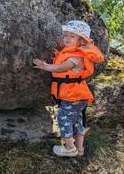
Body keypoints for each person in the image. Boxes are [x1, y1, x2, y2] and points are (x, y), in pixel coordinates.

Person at [33, 20, 104, 157]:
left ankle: (70, 148)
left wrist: (44, 66)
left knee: (64, 119)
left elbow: (61, 68)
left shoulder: (77, 57)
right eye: (65, 35)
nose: (67, 38)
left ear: (82, 41)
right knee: (77, 122)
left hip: (72, 97)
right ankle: (79, 148)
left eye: (72, 36)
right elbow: (63, 60)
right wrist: (60, 53)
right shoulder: (71, 53)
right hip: (78, 96)